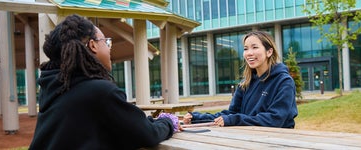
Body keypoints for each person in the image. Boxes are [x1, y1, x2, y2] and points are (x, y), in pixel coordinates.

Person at [29, 14, 179, 149]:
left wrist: (154, 120)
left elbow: (125, 126)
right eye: (106, 42)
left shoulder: (54, 89)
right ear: (93, 45)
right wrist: (169, 122)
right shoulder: (99, 91)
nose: (109, 48)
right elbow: (147, 135)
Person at [183, 31, 298, 128]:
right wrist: (197, 118)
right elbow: (231, 114)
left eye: (255, 47)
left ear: (269, 52)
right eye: (246, 49)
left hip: (278, 142)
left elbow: (275, 119)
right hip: (248, 139)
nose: (249, 53)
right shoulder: (245, 83)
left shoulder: (284, 82)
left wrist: (235, 120)